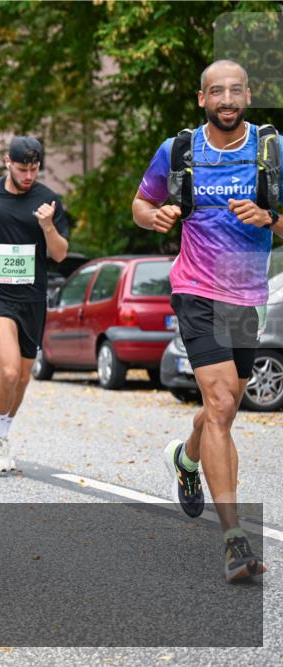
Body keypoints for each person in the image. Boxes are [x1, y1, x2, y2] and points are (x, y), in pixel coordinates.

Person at [132, 60, 278, 582]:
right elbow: (141, 205)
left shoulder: (271, 153)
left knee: (226, 409)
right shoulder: (179, 151)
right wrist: (157, 216)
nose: (227, 99)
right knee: (219, 404)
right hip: (195, 289)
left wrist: (270, 218)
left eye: (235, 90)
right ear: (202, 99)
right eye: (217, 91)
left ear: (248, 95)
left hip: (246, 294)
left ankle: (187, 459)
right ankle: (235, 542)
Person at [0, 136, 68, 473]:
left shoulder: (48, 200)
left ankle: (1, 430)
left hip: (32, 296)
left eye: (33, 169)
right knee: (10, 370)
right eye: (22, 168)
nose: (28, 175)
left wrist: (46, 225)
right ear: (7, 162)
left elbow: (59, 254)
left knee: (24, 377)